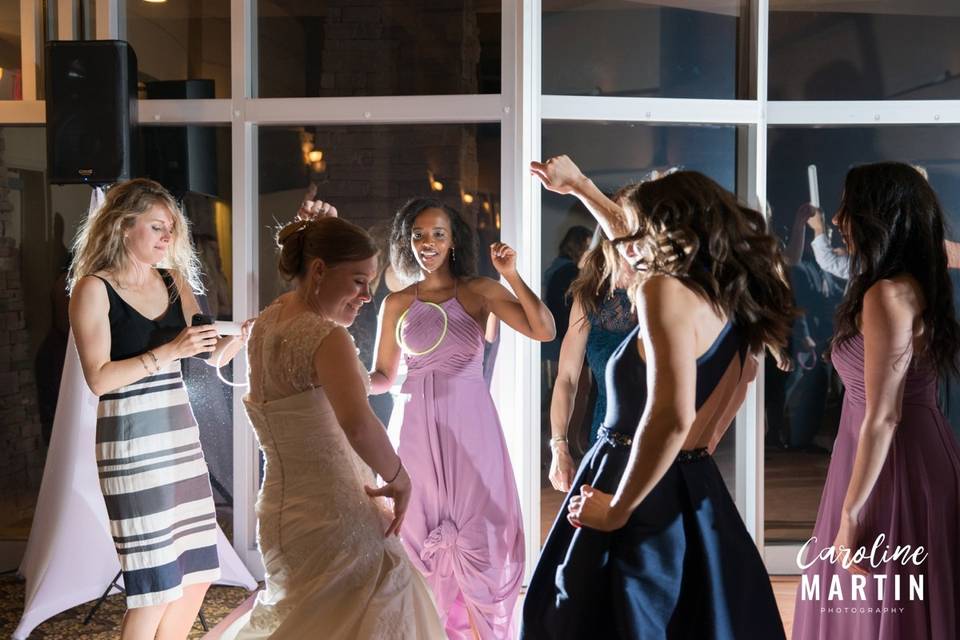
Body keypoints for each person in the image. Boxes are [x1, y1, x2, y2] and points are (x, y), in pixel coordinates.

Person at [524, 155, 793, 639]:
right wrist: (583, 185)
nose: (625, 244)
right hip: (690, 482)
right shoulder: (730, 295)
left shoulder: (662, 291)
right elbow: (736, 386)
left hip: (633, 481)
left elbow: (670, 415)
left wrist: (617, 509)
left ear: (666, 230)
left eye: (638, 228)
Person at [220, 215, 444, 639]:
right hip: (335, 513)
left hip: (281, 513)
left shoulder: (267, 322)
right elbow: (358, 426)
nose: (366, 296)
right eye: (358, 281)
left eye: (370, 284)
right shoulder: (326, 337)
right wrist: (399, 479)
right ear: (319, 269)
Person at [68, 178, 246, 640]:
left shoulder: (173, 281)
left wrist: (243, 337)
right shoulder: (93, 289)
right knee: (156, 586)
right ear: (123, 227)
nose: (167, 238)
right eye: (157, 227)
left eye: (171, 229)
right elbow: (99, 378)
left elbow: (208, 353)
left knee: (198, 573)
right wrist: (169, 352)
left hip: (178, 439)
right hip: (131, 444)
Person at [370, 197, 555, 639]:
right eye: (418, 235)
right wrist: (347, 379)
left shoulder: (479, 291)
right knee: (414, 531)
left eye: (437, 234)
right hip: (413, 430)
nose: (427, 243)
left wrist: (510, 276)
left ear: (453, 241)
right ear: (406, 241)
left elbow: (544, 329)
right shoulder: (395, 303)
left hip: (471, 428)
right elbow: (382, 375)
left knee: (483, 529)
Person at [792, 162, 960, 639]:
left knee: (879, 601)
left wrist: (850, 515)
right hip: (883, 456)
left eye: (849, 206)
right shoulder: (905, 282)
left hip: (894, 465)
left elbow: (885, 415)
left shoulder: (887, 293)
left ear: (874, 216)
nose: (840, 217)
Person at [548, 229, 636, 492]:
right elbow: (567, 378)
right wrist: (559, 446)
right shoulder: (589, 299)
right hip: (606, 434)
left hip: (659, 437)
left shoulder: (662, 295)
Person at [542, 225, 593, 384]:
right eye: (589, 247)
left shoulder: (555, 269)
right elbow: (569, 310)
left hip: (555, 338)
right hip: (566, 338)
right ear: (580, 246)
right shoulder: (570, 273)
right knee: (577, 386)